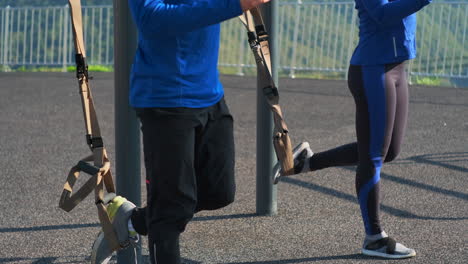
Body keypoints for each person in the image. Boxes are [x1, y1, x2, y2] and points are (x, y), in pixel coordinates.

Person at [90, 0, 271, 263]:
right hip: (164, 98)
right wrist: (235, 3)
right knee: (170, 210)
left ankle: (129, 221)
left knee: (219, 192)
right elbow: (151, 19)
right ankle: (152, 218)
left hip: (209, 93)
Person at [274, 0, 432, 259]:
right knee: (373, 155)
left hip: (397, 66)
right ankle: (374, 238)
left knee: (389, 151)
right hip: (373, 69)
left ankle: (307, 162)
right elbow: (381, 13)